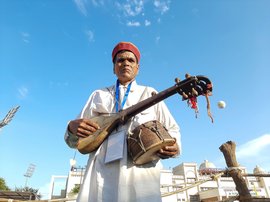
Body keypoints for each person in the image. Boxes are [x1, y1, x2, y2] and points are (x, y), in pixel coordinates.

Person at [64, 41, 181, 202]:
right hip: (100, 173)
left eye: (131, 60)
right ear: (114, 68)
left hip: (140, 174)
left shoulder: (150, 93)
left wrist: (175, 146)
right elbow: (73, 141)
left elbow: (173, 129)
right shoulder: (98, 95)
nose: (125, 63)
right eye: (120, 60)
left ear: (137, 68)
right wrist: (71, 127)